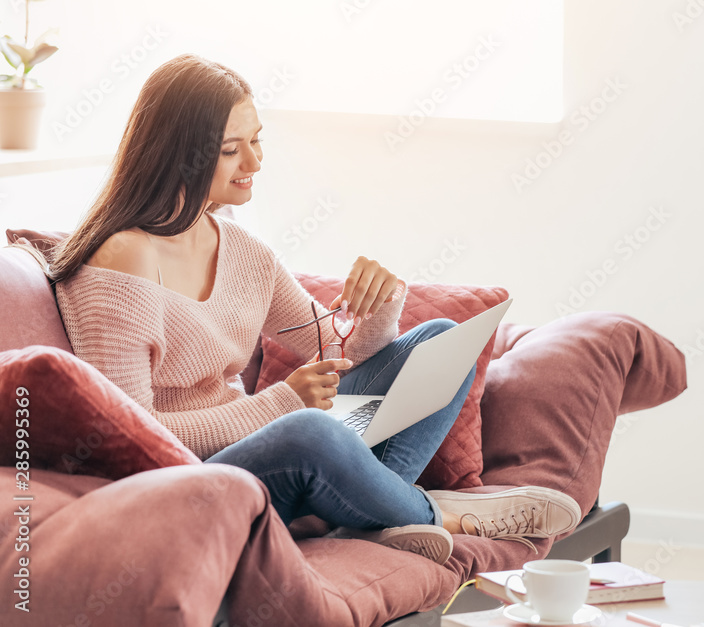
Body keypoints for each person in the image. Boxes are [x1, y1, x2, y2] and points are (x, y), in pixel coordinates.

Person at [42, 54, 581, 564]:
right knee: (307, 430)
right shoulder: (123, 260)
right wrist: (277, 406)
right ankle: (437, 515)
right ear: (178, 154)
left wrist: (381, 305)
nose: (255, 162)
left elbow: (333, 345)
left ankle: (377, 516)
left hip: (256, 444)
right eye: (233, 149)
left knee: (440, 338)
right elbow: (127, 437)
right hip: (187, 477)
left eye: (256, 141)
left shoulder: (242, 250)